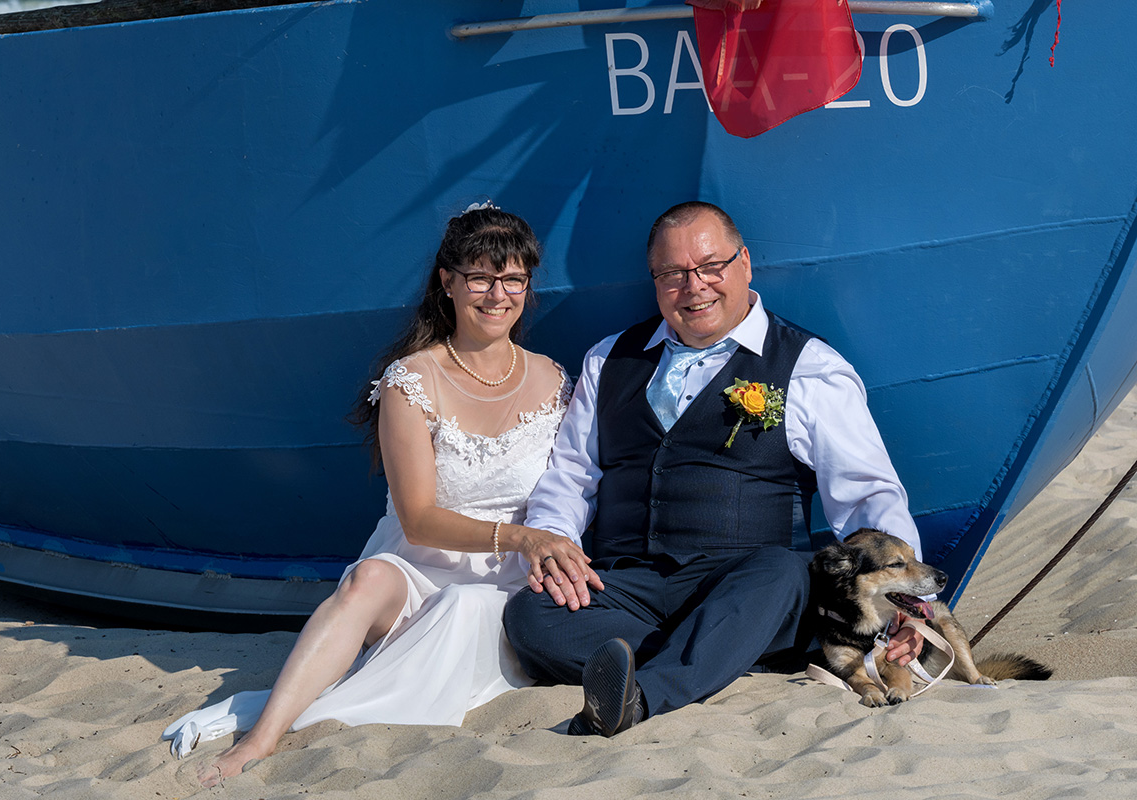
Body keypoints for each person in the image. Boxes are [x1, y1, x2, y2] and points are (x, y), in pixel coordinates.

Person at [163, 205, 598, 786]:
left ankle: (305, 708)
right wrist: (520, 535)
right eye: (480, 278)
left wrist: (546, 545)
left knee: (466, 607)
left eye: (513, 278)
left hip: (510, 580)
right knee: (366, 578)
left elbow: (574, 483)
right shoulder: (410, 380)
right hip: (423, 566)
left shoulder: (552, 377)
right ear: (447, 282)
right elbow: (417, 520)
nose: (497, 295)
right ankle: (260, 739)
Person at [503, 201, 924, 737]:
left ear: (744, 263)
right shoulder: (609, 360)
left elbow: (868, 499)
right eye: (673, 274)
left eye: (709, 267)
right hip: (628, 585)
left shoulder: (810, 365)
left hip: (743, 580)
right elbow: (570, 478)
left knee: (787, 571)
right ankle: (711, 654)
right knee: (531, 614)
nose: (694, 286)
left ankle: (643, 694)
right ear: (654, 281)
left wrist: (909, 602)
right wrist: (553, 544)